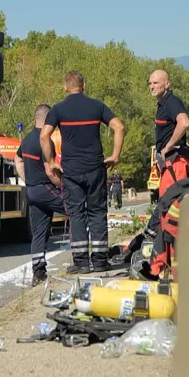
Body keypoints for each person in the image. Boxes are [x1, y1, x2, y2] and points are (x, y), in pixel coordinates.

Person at [40, 71, 124, 274]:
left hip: (72, 171)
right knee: (97, 212)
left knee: (77, 215)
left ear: (65, 88)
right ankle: (100, 260)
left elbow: (44, 136)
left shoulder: (59, 109)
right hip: (95, 168)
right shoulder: (96, 106)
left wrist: (51, 162)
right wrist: (115, 155)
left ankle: (81, 263)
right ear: (83, 85)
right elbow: (118, 126)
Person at [14, 104, 68, 285]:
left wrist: (27, 179)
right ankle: (82, 257)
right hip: (46, 189)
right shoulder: (45, 141)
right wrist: (64, 187)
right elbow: (50, 170)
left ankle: (38, 272)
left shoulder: (27, 140)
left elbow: (18, 159)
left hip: (32, 190)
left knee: (39, 232)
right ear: (47, 119)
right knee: (75, 209)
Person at [149, 69, 189, 197]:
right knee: (168, 204)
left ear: (167, 84)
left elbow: (184, 123)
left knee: (172, 204)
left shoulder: (172, 102)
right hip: (169, 163)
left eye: (155, 83)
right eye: (150, 83)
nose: (152, 87)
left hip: (175, 162)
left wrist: (168, 146)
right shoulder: (163, 104)